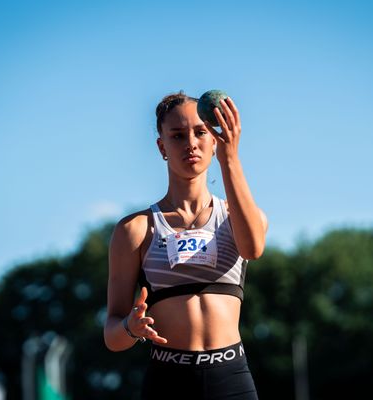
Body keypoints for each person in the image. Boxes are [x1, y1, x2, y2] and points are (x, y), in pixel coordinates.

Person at [104, 91, 267, 399]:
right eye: (177, 135)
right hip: (168, 381)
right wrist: (130, 327)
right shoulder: (135, 229)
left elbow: (253, 249)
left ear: (215, 138)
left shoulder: (238, 217)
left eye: (200, 132)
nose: (190, 143)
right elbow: (112, 335)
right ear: (161, 146)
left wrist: (229, 157)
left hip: (230, 378)